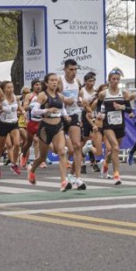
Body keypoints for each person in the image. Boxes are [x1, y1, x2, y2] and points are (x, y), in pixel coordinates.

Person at [27, 73, 74, 191]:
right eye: (52, 80)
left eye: (56, 80)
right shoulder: (43, 95)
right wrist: (47, 110)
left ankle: (63, 181)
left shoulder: (59, 96)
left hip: (58, 126)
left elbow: (62, 109)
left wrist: (66, 116)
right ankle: (32, 170)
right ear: (46, 83)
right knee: (42, 158)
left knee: (62, 151)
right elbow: (34, 111)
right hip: (45, 127)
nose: (54, 82)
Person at [95, 68, 132, 185]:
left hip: (120, 124)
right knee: (115, 147)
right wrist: (99, 114)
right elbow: (98, 105)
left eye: (117, 79)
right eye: (113, 79)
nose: (116, 81)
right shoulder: (103, 93)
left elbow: (129, 109)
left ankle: (105, 164)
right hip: (108, 125)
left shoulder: (124, 93)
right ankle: (116, 174)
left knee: (115, 150)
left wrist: (122, 108)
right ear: (109, 80)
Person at [60, 59, 86, 188]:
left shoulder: (77, 82)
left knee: (77, 146)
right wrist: (64, 99)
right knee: (62, 150)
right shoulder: (60, 81)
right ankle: (35, 165)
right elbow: (52, 95)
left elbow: (78, 97)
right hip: (59, 116)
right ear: (65, 69)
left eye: (75, 69)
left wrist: (79, 102)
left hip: (74, 114)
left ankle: (77, 178)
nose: (74, 72)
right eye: (71, 69)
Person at [0, 81, 23, 176]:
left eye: (12, 87)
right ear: (3, 89)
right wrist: (0, 109)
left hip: (14, 123)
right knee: (0, 148)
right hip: (3, 124)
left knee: (17, 143)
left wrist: (23, 111)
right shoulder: (0, 100)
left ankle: (14, 164)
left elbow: (19, 107)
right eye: (8, 88)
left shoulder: (15, 97)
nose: (11, 89)